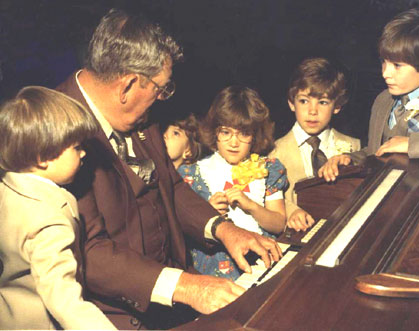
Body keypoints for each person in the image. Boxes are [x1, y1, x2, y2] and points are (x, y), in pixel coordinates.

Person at [56, 9, 282, 329]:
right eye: (160, 89)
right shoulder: (52, 131)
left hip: (171, 304)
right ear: (128, 85)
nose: (162, 98)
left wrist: (222, 229)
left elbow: (170, 186)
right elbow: (87, 252)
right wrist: (185, 286)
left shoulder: (140, 118)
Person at [0, 86, 116, 330]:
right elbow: (64, 300)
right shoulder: (48, 219)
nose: (84, 153)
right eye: (76, 147)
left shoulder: (8, 187)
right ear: (43, 157)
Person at [179, 86, 287, 280]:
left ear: (255, 135)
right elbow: (182, 231)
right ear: (213, 132)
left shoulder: (269, 169)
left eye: (243, 133)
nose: (234, 142)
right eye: (225, 132)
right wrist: (206, 213)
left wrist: (252, 206)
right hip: (215, 270)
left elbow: (278, 224)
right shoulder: (190, 174)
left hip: (263, 263)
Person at [320, 9, 419, 182]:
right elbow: (377, 152)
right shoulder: (383, 100)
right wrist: (349, 159)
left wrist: (412, 144)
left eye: (397, 65)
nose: (385, 73)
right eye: (384, 62)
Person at [269, 57, 360, 231]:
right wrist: (291, 211)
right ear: (291, 103)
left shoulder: (354, 147)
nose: (312, 111)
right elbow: (267, 198)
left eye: (323, 102)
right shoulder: (274, 153)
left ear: (337, 106)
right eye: (304, 101)